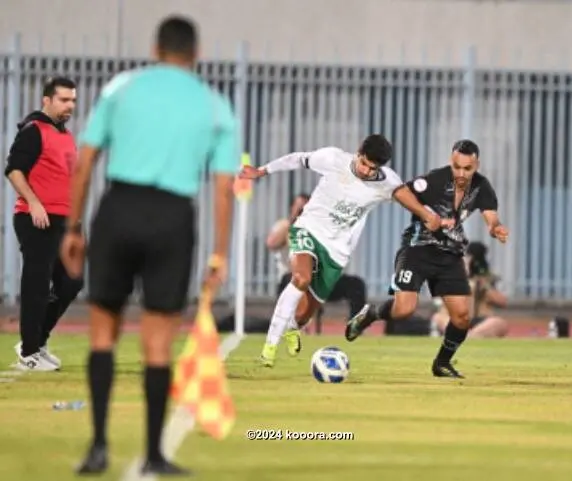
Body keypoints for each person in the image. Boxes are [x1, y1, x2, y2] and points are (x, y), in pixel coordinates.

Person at [60, 15, 238, 476]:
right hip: (173, 218)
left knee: (103, 334)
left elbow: (85, 161)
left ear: (156, 48)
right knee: (158, 344)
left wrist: (73, 229)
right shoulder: (215, 105)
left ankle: (98, 446)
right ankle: (155, 455)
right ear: (195, 54)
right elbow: (223, 188)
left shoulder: (121, 88)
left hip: (119, 208)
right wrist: (219, 254)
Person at [239, 134, 453, 367]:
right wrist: (262, 170)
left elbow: (406, 197)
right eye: (363, 163)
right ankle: (268, 350)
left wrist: (430, 217)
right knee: (300, 278)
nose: (366, 171)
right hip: (309, 229)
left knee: (304, 314)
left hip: (337, 250)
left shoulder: (387, 182)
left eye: (373, 168)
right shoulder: (332, 159)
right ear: (358, 152)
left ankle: (293, 327)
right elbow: (299, 159)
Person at [345, 139, 509, 379]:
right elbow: (401, 193)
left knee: (462, 317)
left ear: (477, 165)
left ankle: (442, 363)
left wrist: (496, 227)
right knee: (404, 310)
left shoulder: (482, 187)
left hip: (450, 253)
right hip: (417, 249)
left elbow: (490, 216)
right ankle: (370, 314)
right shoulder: (434, 180)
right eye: (457, 166)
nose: (461, 173)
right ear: (451, 162)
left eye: (467, 168)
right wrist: (425, 214)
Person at [4, 76, 83, 371]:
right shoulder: (33, 130)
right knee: (37, 282)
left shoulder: (65, 135)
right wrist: (34, 203)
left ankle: (37, 340)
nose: (70, 106)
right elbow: (13, 171)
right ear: (47, 101)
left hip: (64, 220)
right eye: (64, 100)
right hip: (36, 218)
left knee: (73, 281)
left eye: (73, 100)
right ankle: (28, 351)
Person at [267, 193, 369, 337]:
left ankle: (355, 330)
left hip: (321, 277)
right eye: (300, 207)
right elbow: (271, 243)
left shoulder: (323, 226)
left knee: (356, 284)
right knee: (288, 280)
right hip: (295, 279)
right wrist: (293, 220)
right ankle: (283, 327)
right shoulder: (284, 225)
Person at [431, 241, 509, 338]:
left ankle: (469, 336)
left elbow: (503, 302)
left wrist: (485, 285)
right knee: (438, 318)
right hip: (457, 320)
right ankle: (463, 335)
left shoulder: (490, 279)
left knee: (499, 323)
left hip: (480, 321)